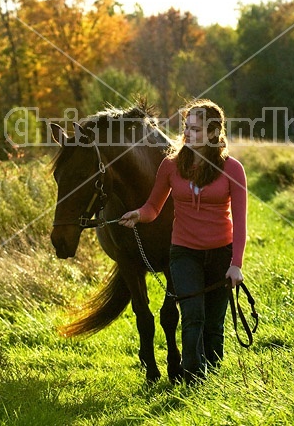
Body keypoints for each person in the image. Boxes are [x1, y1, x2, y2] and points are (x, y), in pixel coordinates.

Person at [119, 98, 247, 384]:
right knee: (192, 317)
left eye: (197, 129)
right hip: (184, 253)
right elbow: (153, 207)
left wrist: (236, 264)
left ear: (214, 133)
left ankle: (212, 376)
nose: (188, 134)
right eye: (187, 127)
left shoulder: (233, 169)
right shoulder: (170, 166)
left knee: (214, 325)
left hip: (220, 254)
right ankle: (192, 378)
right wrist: (138, 215)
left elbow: (240, 223)